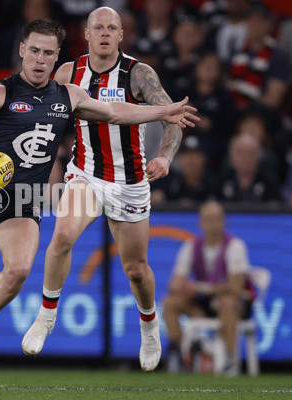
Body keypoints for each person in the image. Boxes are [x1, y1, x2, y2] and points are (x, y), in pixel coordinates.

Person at [0, 18, 198, 388]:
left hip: (23, 201)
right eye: (34, 51)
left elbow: (118, 113)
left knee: (17, 271)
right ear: (22, 50)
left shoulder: (68, 95)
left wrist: (162, 111)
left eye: (48, 53)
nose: (39, 59)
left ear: (56, 57)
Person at [21, 7, 188, 373]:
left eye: (113, 27)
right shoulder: (68, 73)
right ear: (87, 32)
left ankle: (149, 325)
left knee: (136, 270)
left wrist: (165, 157)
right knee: (62, 234)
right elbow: (44, 117)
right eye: (99, 27)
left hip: (129, 183)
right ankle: (46, 316)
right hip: (86, 174)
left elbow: (172, 116)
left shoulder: (138, 73)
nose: (106, 33)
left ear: (122, 34)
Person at [162, 201, 253, 376]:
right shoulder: (191, 246)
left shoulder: (235, 246)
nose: (212, 224)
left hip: (236, 304)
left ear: (224, 222)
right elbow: (174, 283)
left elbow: (235, 287)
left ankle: (229, 359)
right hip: (204, 304)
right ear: (200, 223)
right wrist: (181, 287)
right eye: (208, 220)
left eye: (216, 219)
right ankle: (181, 355)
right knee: (170, 303)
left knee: (226, 303)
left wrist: (199, 288)